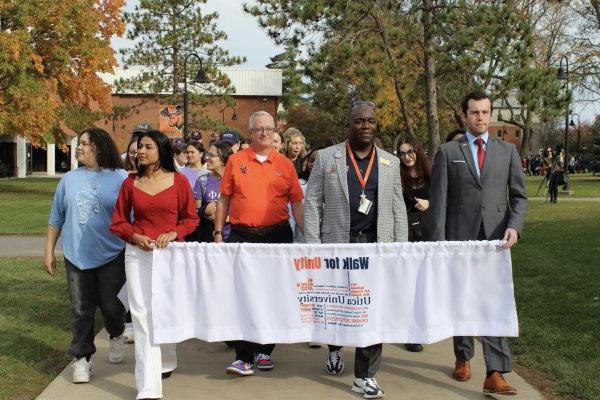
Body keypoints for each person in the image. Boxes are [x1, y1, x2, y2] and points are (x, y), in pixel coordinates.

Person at [304, 101, 407, 399]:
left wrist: (400, 250)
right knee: (338, 307)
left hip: (376, 247)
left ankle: (364, 375)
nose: (366, 125)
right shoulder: (327, 158)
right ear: (349, 125)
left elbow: (397, 206)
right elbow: (312, 203)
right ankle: (334, 349)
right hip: (338, 245)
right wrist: (313, 248)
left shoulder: (390, 162)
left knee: (372, 312)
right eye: (359, 120)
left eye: (371, 120)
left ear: (376, 125)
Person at [429, 91, 527, 396]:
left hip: (496, 241)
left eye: (485, 112)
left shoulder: (507, 152)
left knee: (492, 301)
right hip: (459, 237)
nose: (480, 118)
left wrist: (515, 228)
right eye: (474, 113)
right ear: (464, 115)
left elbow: (520, 197)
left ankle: (495, 371)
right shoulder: (447, 152)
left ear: (491, 114)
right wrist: (439, 245)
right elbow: (439, 203)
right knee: (461, 297)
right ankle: (462, 356)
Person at [110, 130, 199, 400]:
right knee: (141, 314)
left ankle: (166, 358)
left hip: (171, 254)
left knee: (165, 311)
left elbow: (190, 219)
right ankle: (148, 388)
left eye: (148, 146)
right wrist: (134, 237)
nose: (141, 152)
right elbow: (118, 222)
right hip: (137, 254)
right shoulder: (129, 183)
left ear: (161, 149)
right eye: (139, 147)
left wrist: (173, 233)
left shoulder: (179, 181)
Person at [214, 111, 304, 377]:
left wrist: (308, 235)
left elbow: (296, 203)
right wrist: (218, 232)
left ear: (275, 132)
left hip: (278, 236)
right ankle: (243, 357)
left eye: (269, 129)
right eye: (259, 129)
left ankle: (265, 350)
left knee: (273, 296)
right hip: (242, 236)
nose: (264, 133)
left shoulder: (286, 164)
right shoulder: (235, 160)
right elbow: (224, 200)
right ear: (250, 132)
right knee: (243, 296)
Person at [44, 127, 128, 384]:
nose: (78, 148)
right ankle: (82, 359)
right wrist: (49, 252)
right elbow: (56, 217)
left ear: (99, 147)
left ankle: (116, 333)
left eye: (83, 143)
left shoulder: (121, 178)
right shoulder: (69, 179)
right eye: (78, 143)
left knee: (112, 305)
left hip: (111, 254)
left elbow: (131, 218)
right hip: (76, 256)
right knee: (81, 309)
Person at [397, 136, 431, 353]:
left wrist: (430, 202)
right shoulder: (397, 174)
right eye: (402, 153)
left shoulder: (431, 172)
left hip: (428, 231)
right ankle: (410, 332)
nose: (407, 157)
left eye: (410, 152)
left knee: (425, 283)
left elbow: (444, 196)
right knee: (409, 284)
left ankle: (424, 325)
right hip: (406, 231)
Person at [189, 142, 233, 242]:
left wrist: (225, 218)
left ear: (223, 160)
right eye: (207, 154)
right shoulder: (202, 180)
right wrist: (204, 211)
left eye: (212, 155)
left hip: (232, 237)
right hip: (208, 237)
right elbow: (193, 212)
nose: (207, 158)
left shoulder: (235, 181)